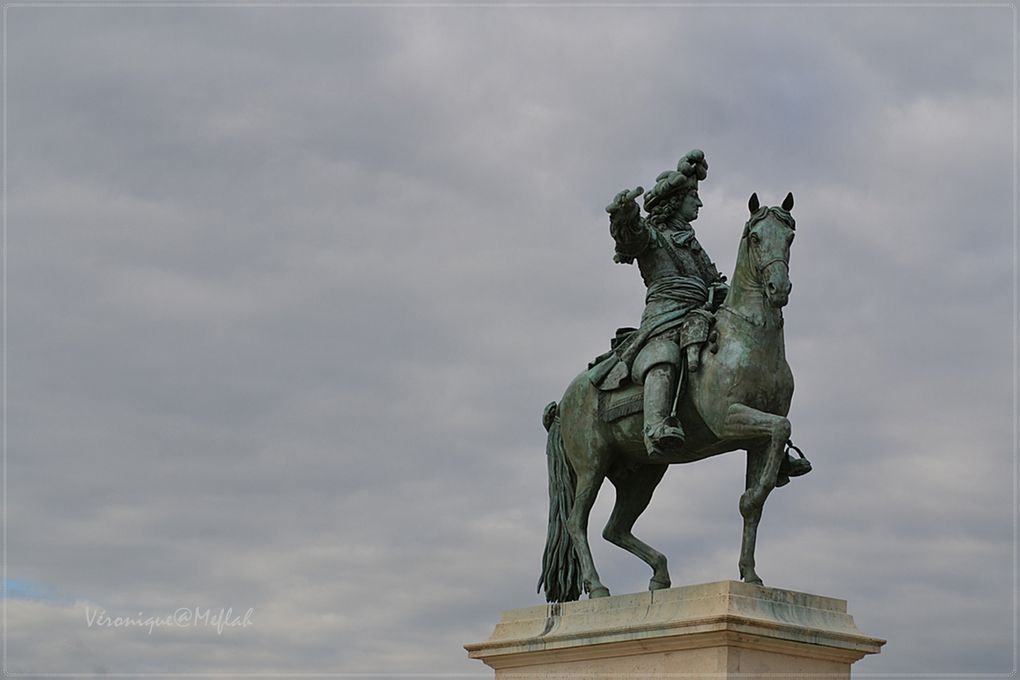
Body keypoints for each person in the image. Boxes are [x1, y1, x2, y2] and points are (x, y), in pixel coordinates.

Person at [605, 149, 728, 459]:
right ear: (676, 201)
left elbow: (715, 282)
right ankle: (656, 426)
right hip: (666, 316)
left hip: (701, 312)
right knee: (664, 353)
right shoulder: (654, 237)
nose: (699, 203)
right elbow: (630, 237)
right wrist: (625, 214)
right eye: (692, 197)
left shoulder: (693, 245)